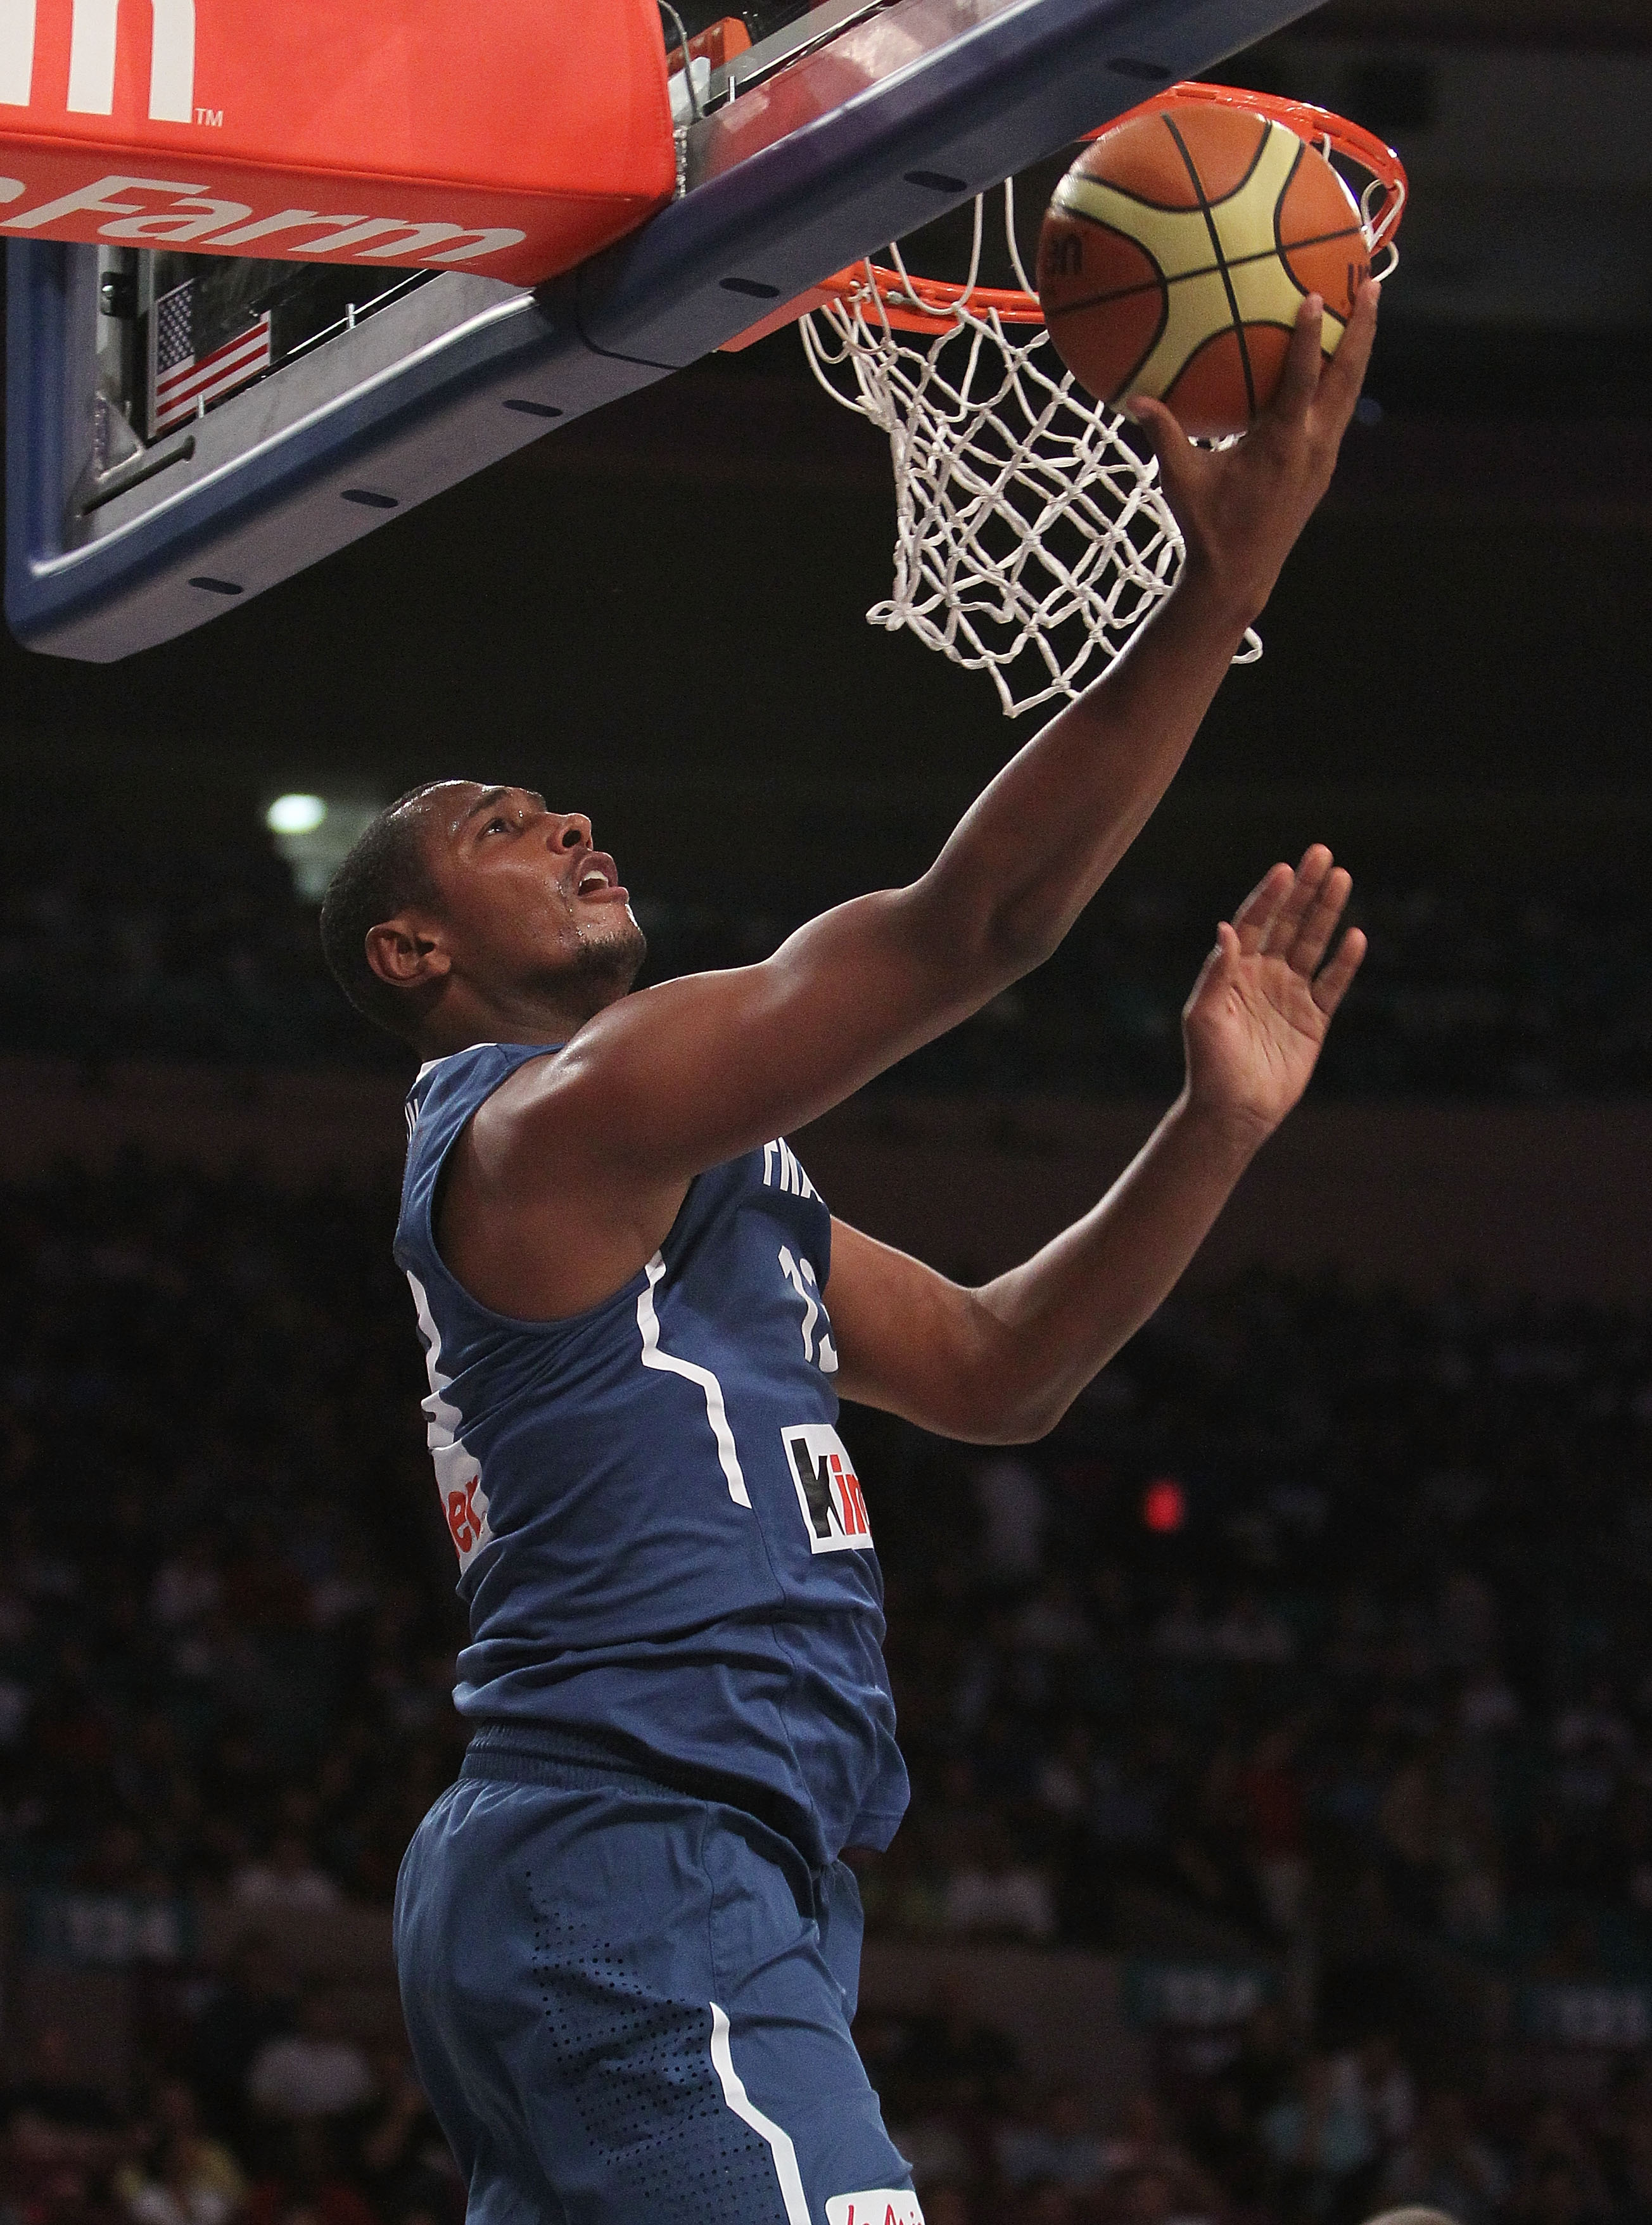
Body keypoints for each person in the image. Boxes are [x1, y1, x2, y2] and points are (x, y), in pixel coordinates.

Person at [318, 284, 1378, 2225]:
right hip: (632, 1861)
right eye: (495, 821)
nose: (564, 815)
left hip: (700, 1872)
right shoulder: (548, 1125)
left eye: (555, 800)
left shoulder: (696, 1181)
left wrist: (1212, 1128)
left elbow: (997, 1371)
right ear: (412, 951)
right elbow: (971, 928)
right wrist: (1220, 593)